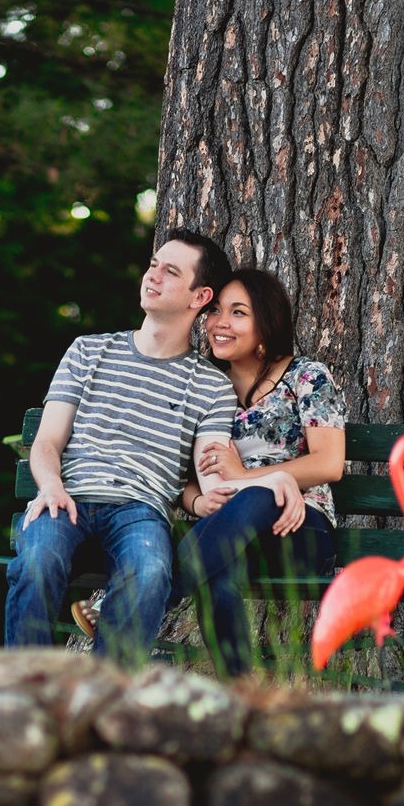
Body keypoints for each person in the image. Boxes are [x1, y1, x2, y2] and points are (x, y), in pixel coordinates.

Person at [76, 268, 345, 676]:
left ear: (266, 322)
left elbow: (329, 464)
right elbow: (179, 479)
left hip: (299, 530)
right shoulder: (201, 383)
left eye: (238, 313)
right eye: (216, 310)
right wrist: (197, 500)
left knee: (262, 495)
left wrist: (244, 478)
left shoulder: (306, 376)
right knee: (216, 575)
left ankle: (122, 605)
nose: (220, 323)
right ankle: (239, 696)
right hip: (224, 534)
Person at [2, 228, 237, 663]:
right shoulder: (88, 351)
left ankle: (104, 701)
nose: (153, 276)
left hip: (140, 511)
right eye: (153, 266)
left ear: (199, 297)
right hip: (67, 497)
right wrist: (51, 486)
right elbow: (47, 442)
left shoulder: (211, 386)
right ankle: (22, 690)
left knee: (150, 572)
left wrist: (229, 488)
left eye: (170, 272)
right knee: (36, 563)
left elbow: (210, 470)